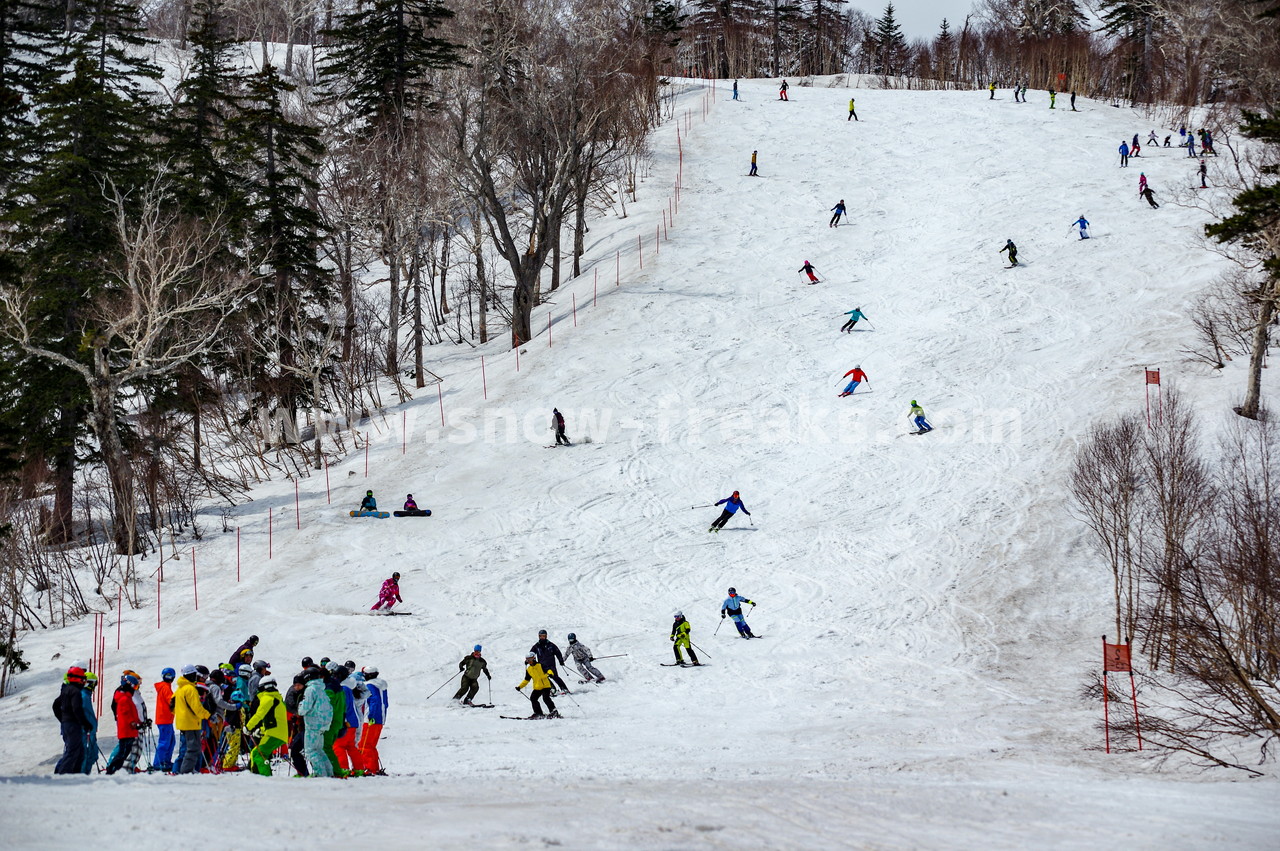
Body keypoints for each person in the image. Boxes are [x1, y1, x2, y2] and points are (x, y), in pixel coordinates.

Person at [245, 675, 287, 776]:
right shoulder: (276, 699)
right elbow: (274, 719)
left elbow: (259, 715)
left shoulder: (267, 698)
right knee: (256, 752)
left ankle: (266, 778)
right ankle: (256, 774)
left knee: (259, 754)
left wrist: (248, 727)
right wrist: (262, 730)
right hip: (277, 733)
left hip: (274, 734)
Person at [53, 666, 91, 774]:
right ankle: (63, 774)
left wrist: (63, 720)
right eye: (83, 679)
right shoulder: (75, 691)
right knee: (73, 751)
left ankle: (75, 774)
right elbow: (77, 709)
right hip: (73, 725)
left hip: (68, 724)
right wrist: (85, 723)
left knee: (79, 751)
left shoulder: (66, 690)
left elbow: (55, 705)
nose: (84, 682)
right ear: (77, 679)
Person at [173, 664, 210, 775]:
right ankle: (186, 771)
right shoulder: (190, 689)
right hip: (190, 722)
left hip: (188, 722)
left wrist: (180, 713)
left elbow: (172, 704)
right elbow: (197, 707)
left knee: (194, 748)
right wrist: (208, 715)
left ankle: (188, 769)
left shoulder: (181, 688)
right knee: (193, 748)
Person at [299, 666, 334, 777]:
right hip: (322, 725)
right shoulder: (321, 689)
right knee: (319, 750)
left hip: (313, 725)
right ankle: (329, 773)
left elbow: (305, 708)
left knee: (311, 751)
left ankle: (321, 775)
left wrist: (300, 707)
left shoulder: (310, 690)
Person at [105, 673, 142, 775]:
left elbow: (133, 713)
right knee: (123, 752)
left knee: (125, 751)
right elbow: (126, 714)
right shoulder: (124, 698)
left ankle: (116, 769)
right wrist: (134, 723)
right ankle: (112, 769)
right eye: (134, 686)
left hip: (129, 730)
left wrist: (140, 722)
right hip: (126, 730)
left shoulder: (127, 697)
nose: (135, 689)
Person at [360, 665, 389, 774]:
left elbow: (374, 701)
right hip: (380, 719)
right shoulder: (382, 686)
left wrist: (370, 715)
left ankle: (369, 768)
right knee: (371, 745)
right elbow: (385, 703)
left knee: (364, 745)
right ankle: (374, 767)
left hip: (370, 719)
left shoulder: (369, 685)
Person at [516, 653, 561, 718]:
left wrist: (550, 674)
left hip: (545, 686)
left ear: (534, 658)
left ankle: (554, 712)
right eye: (527, 660)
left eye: (530, 659)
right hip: (537, 687)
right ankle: (538, 713)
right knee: (533, 698)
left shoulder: (540, 665)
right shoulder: (529, 669)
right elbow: (526, 680)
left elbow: (549, 670)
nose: (529, 661)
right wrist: (519, 687)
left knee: (546, 698)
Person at [283, 669, 310, 776]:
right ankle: (303, 772)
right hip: (302, 726)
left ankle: (315, 772)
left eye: (299, 685)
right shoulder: (297, 694)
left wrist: (299, 715)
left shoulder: (306, 694)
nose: (297, 687)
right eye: (295, 685)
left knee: (308, 751)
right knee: (295, 749)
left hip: (308, 727)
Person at [323, 663, 348, 776]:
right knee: (327, 747)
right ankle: (332, 771)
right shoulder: (339, 687)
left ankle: (336, 771)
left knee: (325, 747)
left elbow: (329, 705)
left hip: (331, 722)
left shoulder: (331, 686)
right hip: (337, 721)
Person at [530, 629, 571, 694]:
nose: (542, 637)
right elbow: (531, 654)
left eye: (543, 636)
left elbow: (558, 652)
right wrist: (529, 660)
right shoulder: (537, 646)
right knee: (544, 678)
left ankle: (564, 689)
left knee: (555, 677)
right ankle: (552, 689)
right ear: (539, 636)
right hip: (542, 666)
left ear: (546, 636)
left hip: (551, 665)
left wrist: (561, 660)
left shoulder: (551, 645)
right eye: (541, 636)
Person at [151, 667, 176, 772]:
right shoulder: (165, 687)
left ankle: (165, 761)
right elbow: (171, 700)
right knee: (165, 742)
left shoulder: (165, 686)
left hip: (166, 719)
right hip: (164, 719)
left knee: (171, 741)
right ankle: (159, 763)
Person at [80, 673, 99, 774]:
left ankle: (85, 774)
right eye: (94, 684)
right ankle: (81, 775)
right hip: (85, 732)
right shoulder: (83, 696)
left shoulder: (86, 695)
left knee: (93, 754)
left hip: (90, 732)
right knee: (85, 755)